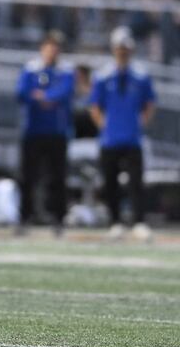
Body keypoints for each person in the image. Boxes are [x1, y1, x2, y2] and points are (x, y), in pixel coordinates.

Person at [89, 26, 156, 241]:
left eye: (125, 48)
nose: (122, 52)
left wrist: (142, 122)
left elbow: (149, 103)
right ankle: (114, 222)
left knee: (136, 182)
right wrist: (103, 125)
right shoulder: (103, 76)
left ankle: (139, 222)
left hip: (133, 138)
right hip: (110, 139)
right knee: (111, 182)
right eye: (119, 48)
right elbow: (95, 105)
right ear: (113, 49)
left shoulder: (141, 76)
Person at [16, 31, 74, 233]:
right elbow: (22, 93)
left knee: (57, 177)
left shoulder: (65, 71)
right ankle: (25, 217)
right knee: (28, 176)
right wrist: (47, 98)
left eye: (56, 47)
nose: (53, 50)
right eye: (50, 46)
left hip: (57, 132)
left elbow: (65, 93)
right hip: (33, 131)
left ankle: (58, 219)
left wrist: (44, 96)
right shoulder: (31, 69)